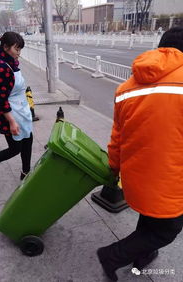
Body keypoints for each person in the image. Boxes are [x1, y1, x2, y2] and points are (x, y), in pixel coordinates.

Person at [97, 27, 183, 281]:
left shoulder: (126, 87)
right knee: (167, 230)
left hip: (135, 176)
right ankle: (111, 256)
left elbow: (117, 137)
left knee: (151, 216)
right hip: (170, 176)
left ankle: (143, 256)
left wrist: (113, 167)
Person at [0, 31, 33, 181]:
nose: (19, 53)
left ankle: (25, 173)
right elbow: (0, 99)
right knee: (15, 148)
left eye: (20, 49)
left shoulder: (11, 62)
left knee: (28, 139)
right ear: (5, 47)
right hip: (9, 113)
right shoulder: (0, 67)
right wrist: (11, 121)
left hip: (21, 110)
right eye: (16, 49)